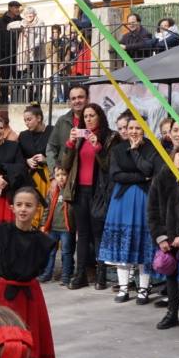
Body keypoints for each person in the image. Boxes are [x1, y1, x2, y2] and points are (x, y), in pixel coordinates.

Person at [0, 188, 61, 358]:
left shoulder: (44, 242)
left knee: (32, 345)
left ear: (36, 209)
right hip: (3, 296)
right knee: (3, 344)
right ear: (11, 207)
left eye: (28, 205)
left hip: (30, 298)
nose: (23, 209)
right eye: (19, 204)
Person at [98, 115, 158, 304]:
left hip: (143, 200)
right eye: (130, 128)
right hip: (121, 200)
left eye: (138, 128)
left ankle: (143, 288)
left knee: (142, 243)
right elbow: (116, 175)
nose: (133, 132)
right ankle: (124, 287)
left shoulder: (151, 148)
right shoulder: (117, 149)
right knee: (122, 243)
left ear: (144, 130)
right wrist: (140, 177)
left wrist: (134, 152)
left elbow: (149, 170)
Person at [59, 104, 114, 291]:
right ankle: (80, 274)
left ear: (100, 117)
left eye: (92, 115)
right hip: (80, 191)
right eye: (86, 116)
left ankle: (101, 276)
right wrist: (70, 143)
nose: (89, 119)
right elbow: (65, 164)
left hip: (98, 191)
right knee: (81, 234)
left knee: (98, 234)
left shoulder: (109, 136)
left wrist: (97, 147)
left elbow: (108, 166)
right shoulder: (79, 136)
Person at [147, 146, 179, 329]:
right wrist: (161, 237)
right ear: (173, 156)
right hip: (167, 236)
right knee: (170, 274)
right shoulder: (161, 178)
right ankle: (172, 313)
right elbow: (152, 210)